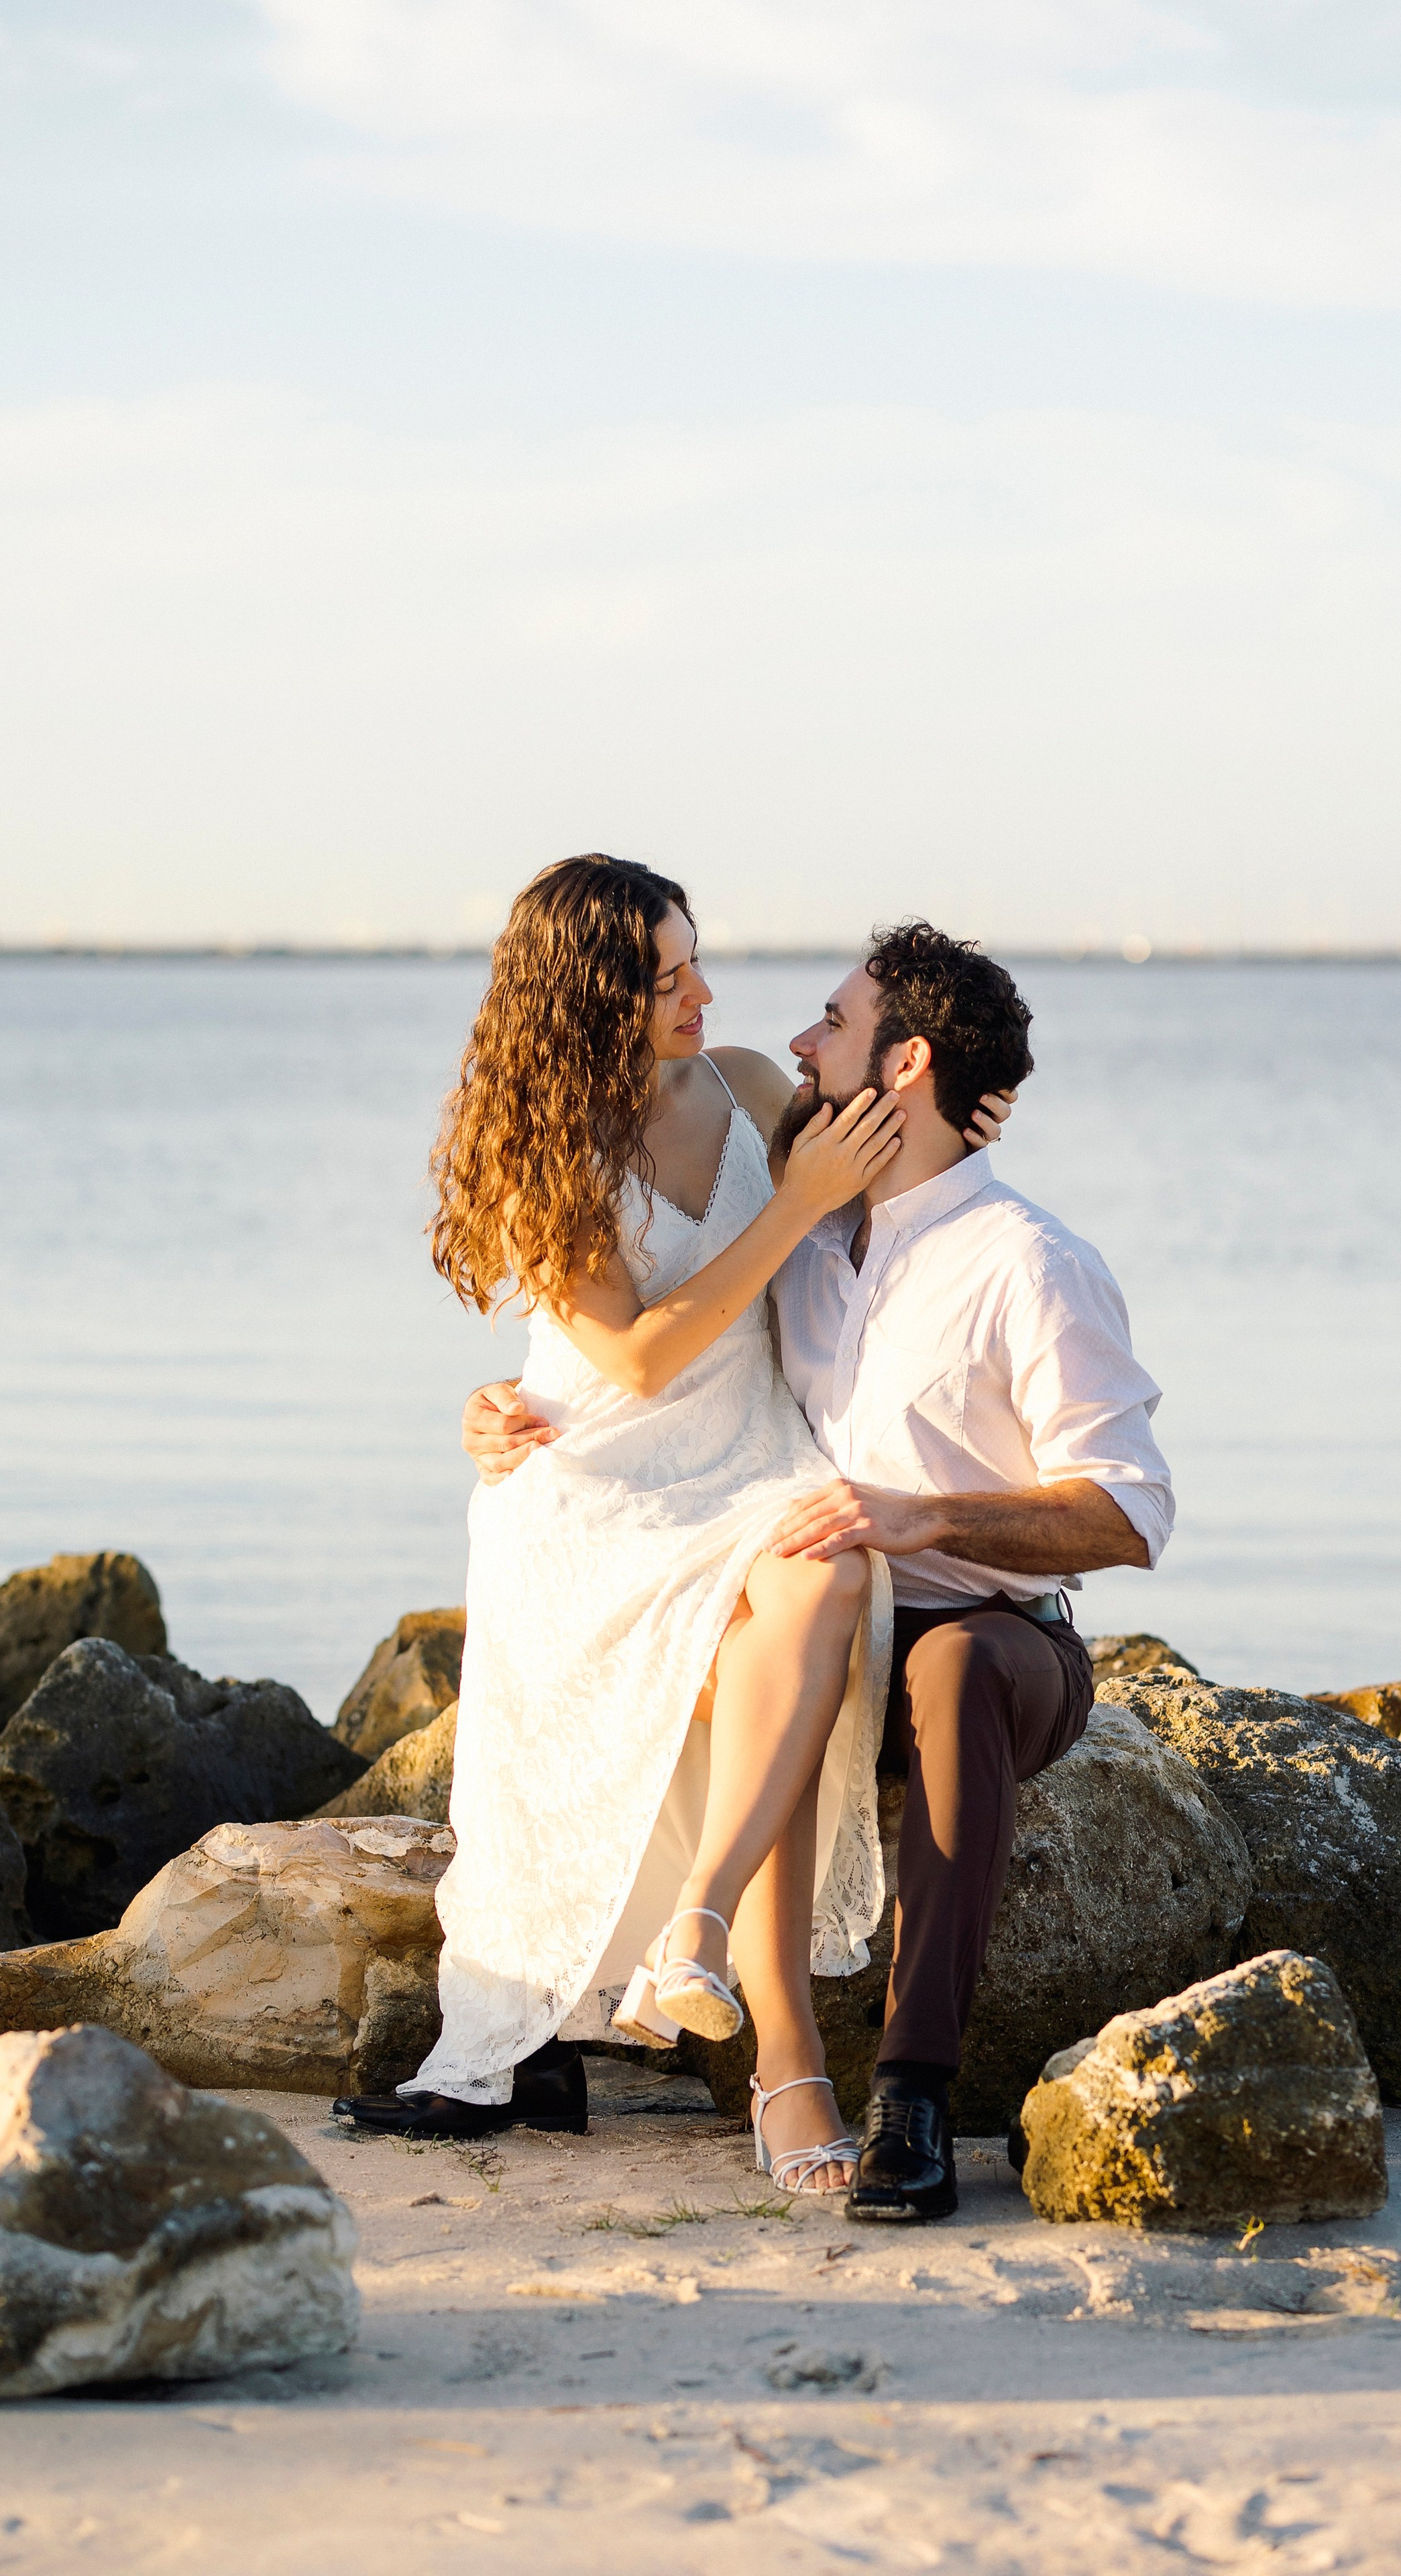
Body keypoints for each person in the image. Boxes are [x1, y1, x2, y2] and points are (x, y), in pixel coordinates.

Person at [472, 922, 1172, 2222]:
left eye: (832, 1025)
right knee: (795, 1628)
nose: (792, 1041)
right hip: (829, 1614)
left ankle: (909, 2095)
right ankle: (741, 2009)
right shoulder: (806, 1246)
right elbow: (660, 1353)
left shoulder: (1027, 1263)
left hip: (990, 1625)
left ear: (900, 1067)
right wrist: (516, 1401)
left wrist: (922, 1517)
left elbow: (1129, 1516)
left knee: (952, 1667)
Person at [335, 857, 1010, 2200]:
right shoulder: (538, 1149)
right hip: (597, 1487)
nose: (702, 992)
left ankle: (698, 1929)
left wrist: (972, 1103)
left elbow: (906, 1155)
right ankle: (753, 2047)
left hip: (752, 1462)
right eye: (663, 979)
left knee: (823, 1572)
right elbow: (635, 1362)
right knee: (794, 1592)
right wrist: (798, 1207)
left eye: (696, 959)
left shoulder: (753, 1082)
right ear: (588, 1001)